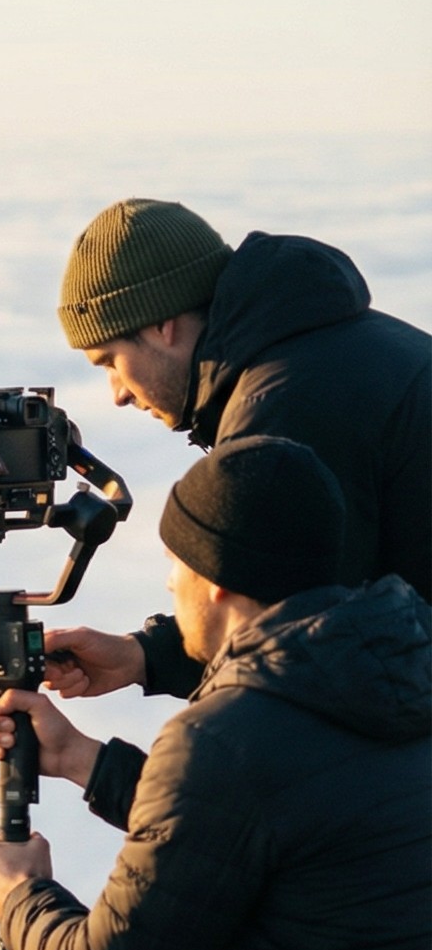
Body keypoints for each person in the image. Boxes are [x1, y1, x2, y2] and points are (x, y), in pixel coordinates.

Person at [0, 436, 432, 950]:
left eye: (173, 564)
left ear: (215, 581)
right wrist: (84, 761)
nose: (167, 587)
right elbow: (266, 818)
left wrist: (20, 900)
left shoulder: (229, 734)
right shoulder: (390, 669)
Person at [46, 198, 431, 702]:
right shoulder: (330, 346)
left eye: (111, 361)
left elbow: (293, 660)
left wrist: (100, 768)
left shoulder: (283, 412)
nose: (117, 393)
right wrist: (145, 657)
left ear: (162, 326)